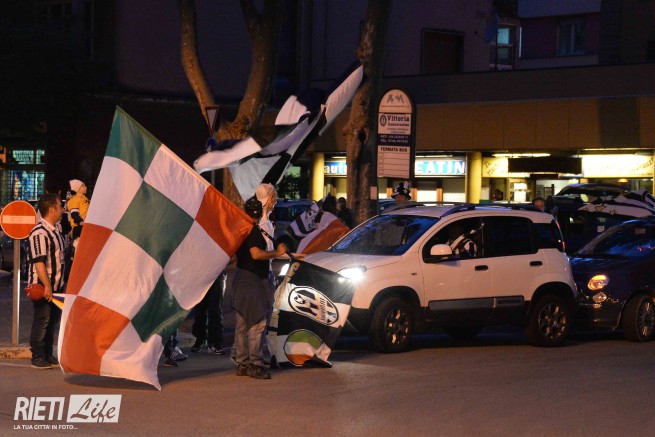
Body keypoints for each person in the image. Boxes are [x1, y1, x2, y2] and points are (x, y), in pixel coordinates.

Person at [232, 196, 287, 380]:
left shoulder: (240, 229)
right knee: (257, 323)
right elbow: (256, 254)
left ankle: (242, 363)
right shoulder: (254, 231)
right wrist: (277, 253)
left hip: (240, 278)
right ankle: (255, 364)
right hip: (252, 280)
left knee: (242, 323)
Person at [26, 193, 67, 369]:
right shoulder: (40, 232)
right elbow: (39, 262)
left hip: (56, 286)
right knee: (42, 319)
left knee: (52, 320)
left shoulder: (56, 230)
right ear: (51, 209)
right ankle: (37, 355)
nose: (63, 209)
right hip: (42, 286)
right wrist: (47, 286)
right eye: (60, 206)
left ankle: (48, 353)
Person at [191, 271, 226, 354]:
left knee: (215, 312)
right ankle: (201, 339)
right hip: (200, 277)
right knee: (199, 311)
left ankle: (216, 343)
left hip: (216, 276)